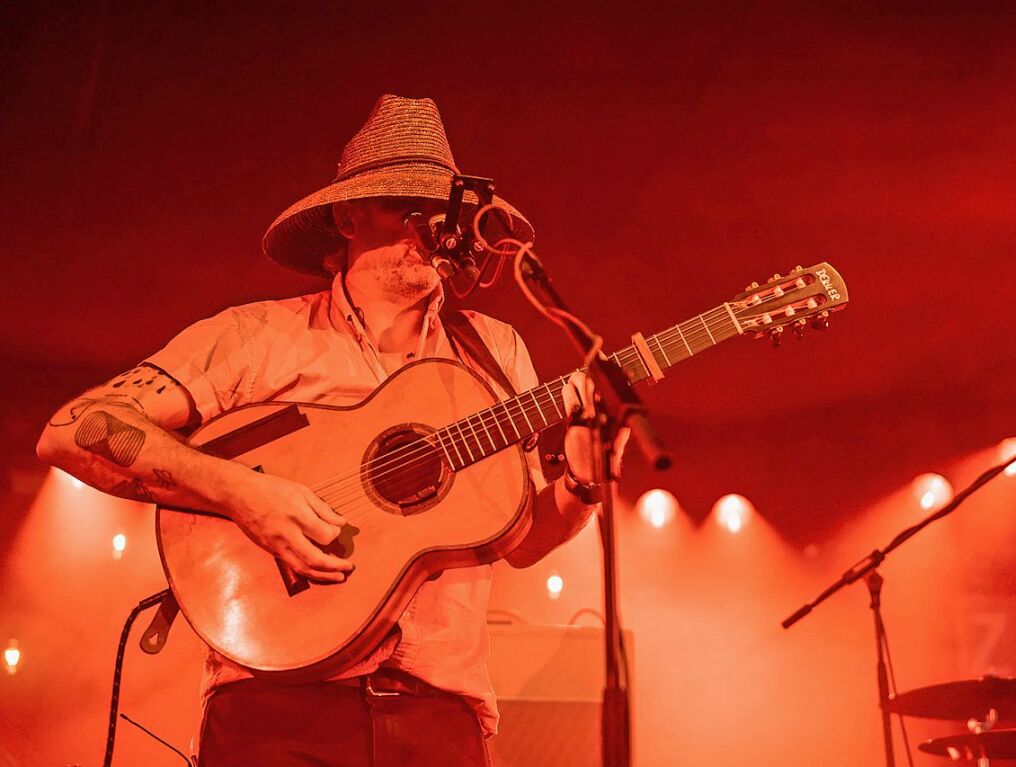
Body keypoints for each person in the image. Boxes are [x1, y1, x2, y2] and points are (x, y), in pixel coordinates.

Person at [36, 95, 617, 766]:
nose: (427, 226)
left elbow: (517, 539)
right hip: (276, 707)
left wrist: (580, 475)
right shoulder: (257, 336)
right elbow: (73, 430)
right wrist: (246, 495)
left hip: (439, 714)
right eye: (405, 204)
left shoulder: (495, 349)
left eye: (441, 210)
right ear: (347, 216)